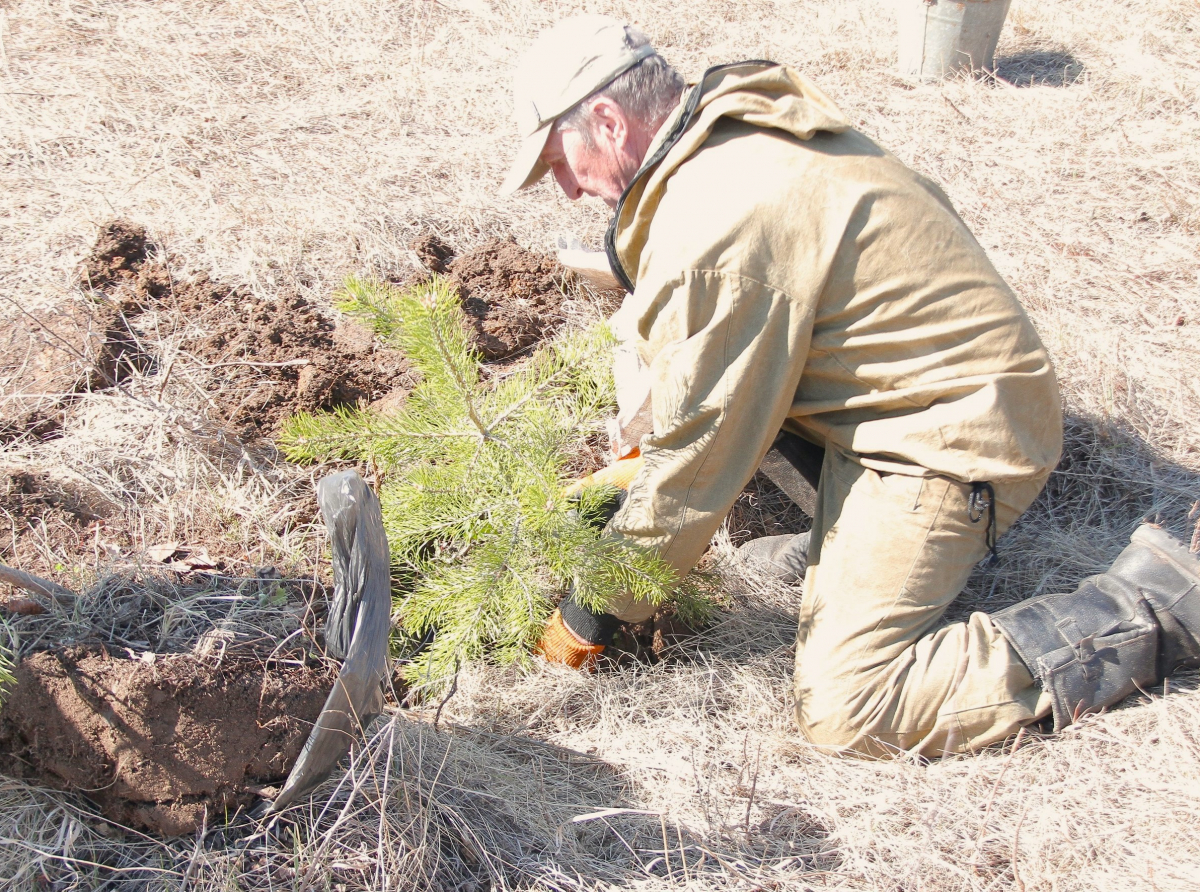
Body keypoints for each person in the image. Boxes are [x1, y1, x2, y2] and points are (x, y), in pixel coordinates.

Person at [508, 15, 1200, 757]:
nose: (566, 189)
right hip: (917, 394)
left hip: (955, 435)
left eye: (558, 162)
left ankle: (1157, 605)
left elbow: (701, 452)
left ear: (609, 122)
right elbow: (707, 383)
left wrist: (595, 610)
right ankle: (840, 546)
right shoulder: (731, 138)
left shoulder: (716, 219)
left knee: (849, 707)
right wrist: (634, 478)